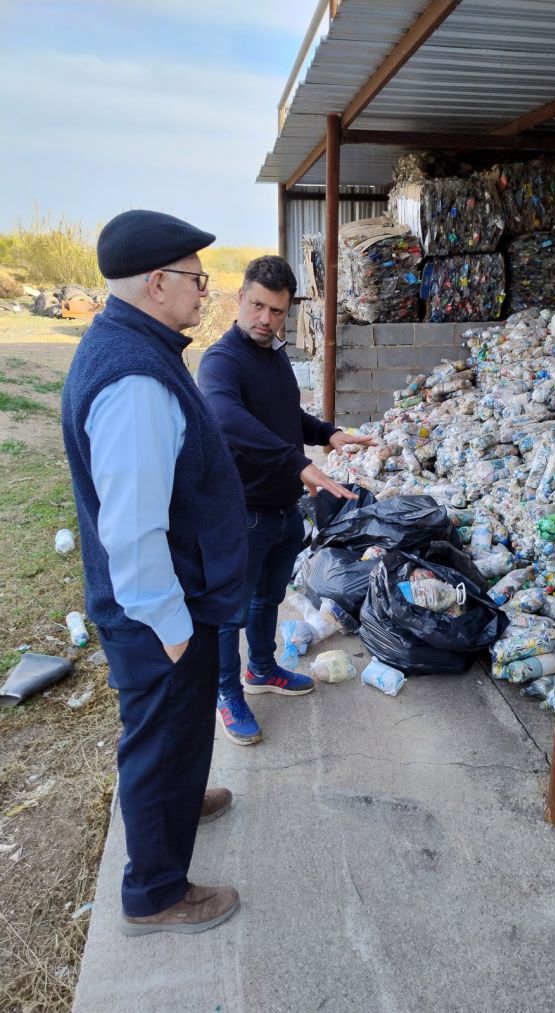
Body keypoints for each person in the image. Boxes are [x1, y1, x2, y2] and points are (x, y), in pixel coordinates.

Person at [61, 210, 248, 936]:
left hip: (169, 600)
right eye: (198, 279)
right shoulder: (134, 379)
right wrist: (170, 626)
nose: (207, 292)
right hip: (158, 610)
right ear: (157, 282)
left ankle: (178, 799)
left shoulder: (131, 343)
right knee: (159, 738)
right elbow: (133, 529)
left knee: (174, 734)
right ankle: (157, 893)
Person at [198, 255, 375, 744]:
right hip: (243, 513)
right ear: (240, 298)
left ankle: (261, 669)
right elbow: (227, 418)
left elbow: (285, 416)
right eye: (257, 306)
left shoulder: (274, 356)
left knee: (268, 599)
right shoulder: (221, 361)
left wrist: (327, 433)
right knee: (229, 614)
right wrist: (297, 463)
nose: (265, 319)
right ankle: (226, 694)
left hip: (284, 510)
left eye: (276, 311)